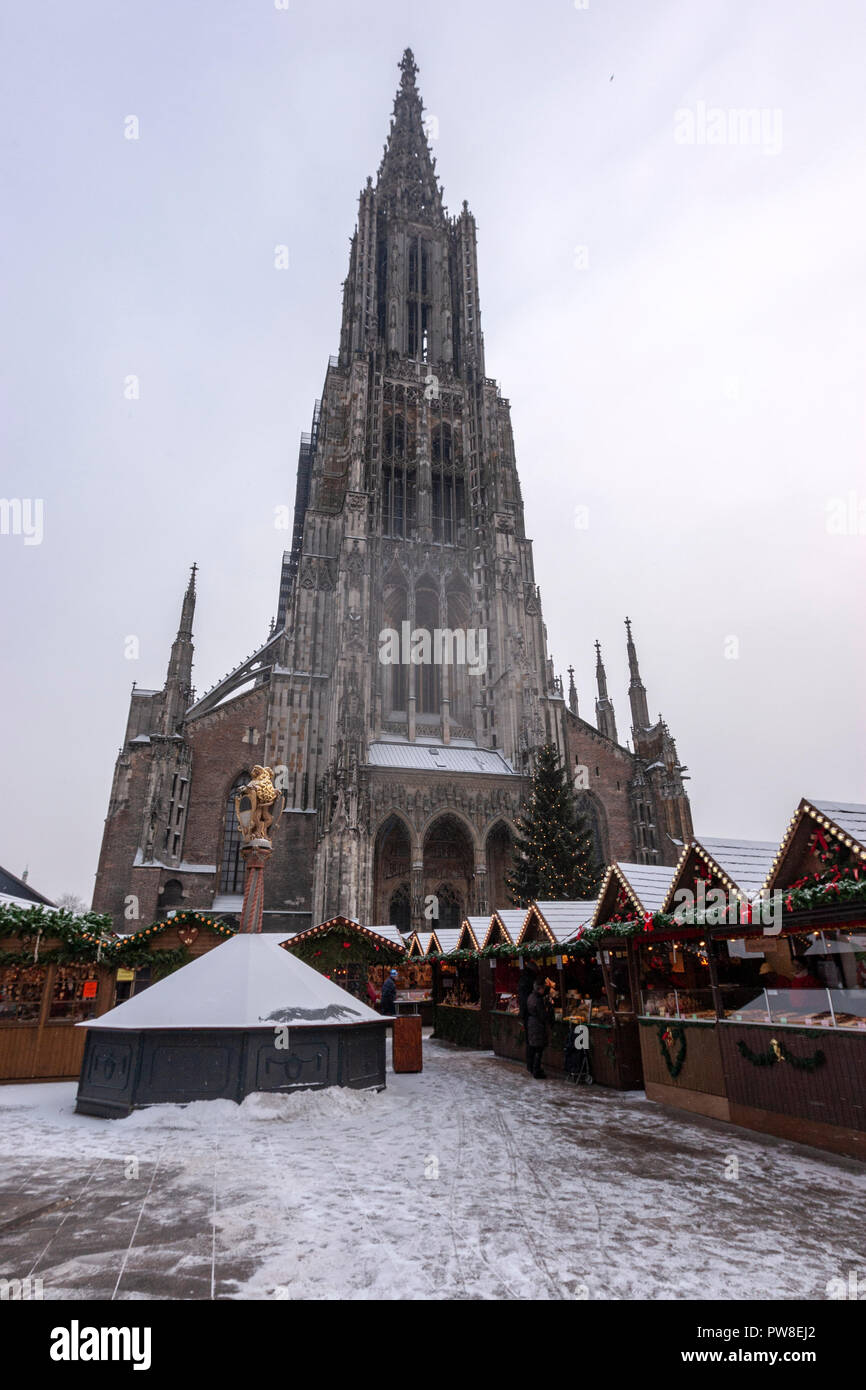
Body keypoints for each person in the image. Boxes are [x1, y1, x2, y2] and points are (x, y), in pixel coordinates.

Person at [525, 978, 554, 1079]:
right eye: (543, 988)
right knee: (538, 1049)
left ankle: (533, 1068)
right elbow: (543, 1015)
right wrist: (549, 1010)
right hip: (537, 1026)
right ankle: (536, 1070)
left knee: (534, 1048)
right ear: (539, 989)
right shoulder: (538, 1000)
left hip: (532, 1024)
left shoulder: (530, 997)